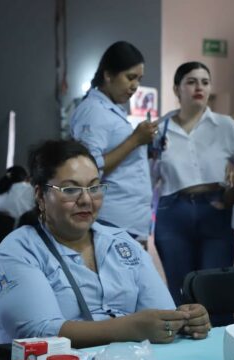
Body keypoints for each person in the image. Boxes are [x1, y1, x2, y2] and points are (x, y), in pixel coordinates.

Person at [0, 139, 211, 348]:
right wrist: (128, 328)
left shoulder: (121, 243)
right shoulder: (18, 252)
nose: (86, 200)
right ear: (41, 196)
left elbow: (161, 313)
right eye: (71, 189)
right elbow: (38, 333)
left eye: (94, 187)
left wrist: (183, 320)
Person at [153, 62, 234, 305]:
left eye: (205, 82)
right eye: (191, 81)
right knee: (180, 292)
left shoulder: (225, 125)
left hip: (215, 208)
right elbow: (148, 175)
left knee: (216, 291)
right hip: (173, 211)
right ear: (177, 89)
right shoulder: (159, 129)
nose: (199, 87)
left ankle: (218, 339)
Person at [69, 41, 158, 242]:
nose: (135, 86)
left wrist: (146, 147)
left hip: (128, 221)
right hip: (112, 222)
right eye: (130, 77)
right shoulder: (93, 111)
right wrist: (135, 140)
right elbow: (87, 170)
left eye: (139, 79)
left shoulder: (111, 109)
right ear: (108, 75)